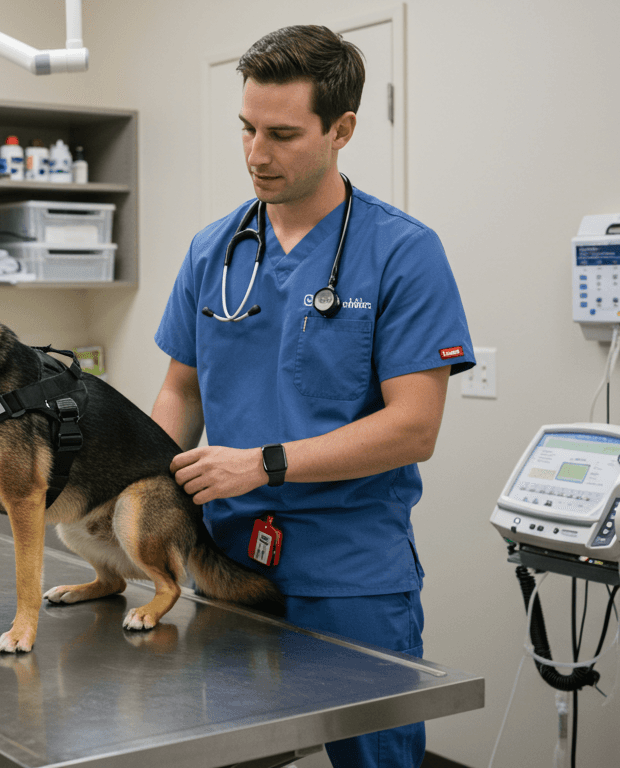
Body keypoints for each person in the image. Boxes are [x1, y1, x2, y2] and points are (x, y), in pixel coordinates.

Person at [151, 25, 473, 768]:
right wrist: (142, 504)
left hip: (349, 571)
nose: (257, 154)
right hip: (226, 562)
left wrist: (261, 465)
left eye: (283, 134)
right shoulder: (214, 249)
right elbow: (179, 390)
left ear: (342, 130)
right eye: (247, 128)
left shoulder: (402, 252)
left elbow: (413, 428)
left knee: (375, 759)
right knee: (229, 754)